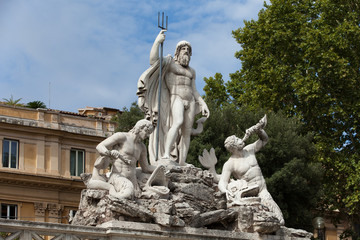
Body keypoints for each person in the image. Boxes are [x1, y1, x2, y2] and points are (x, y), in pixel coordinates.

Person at [137, 30, 209, 166]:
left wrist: (203, 103)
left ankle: (182, 162)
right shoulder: (170, 63)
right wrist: (157, 41)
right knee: (177, 122)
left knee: (186, 131)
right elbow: (153, 61)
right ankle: (165, 155)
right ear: (178, 51)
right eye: (184, 49)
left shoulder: (192, 71)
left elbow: (194, 90)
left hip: (191, 100)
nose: (186, 51)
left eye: (188, 50)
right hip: (176, 97)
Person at [218, 116, 284, 224]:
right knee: (277, 221)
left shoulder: (249, 149)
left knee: (279, 219)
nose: (241, 139)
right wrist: (225, 192)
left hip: (263, 189)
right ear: (233, 147)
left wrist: (259, 130)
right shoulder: (230, 163)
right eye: (238, 140)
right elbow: (222, 182)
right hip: (251, 193)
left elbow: (264, 140)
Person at [87, 119, 156, 199]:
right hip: (118, 177)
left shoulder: (142, 147)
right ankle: (111, 188)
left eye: (149, 133)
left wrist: (161, 169)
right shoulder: (122, 137)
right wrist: (109, 153)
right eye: (147, 132)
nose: (147, 135)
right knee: (127, 193)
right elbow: (100, 146)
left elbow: (146, 168)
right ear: (140, 128)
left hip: (133, 180)